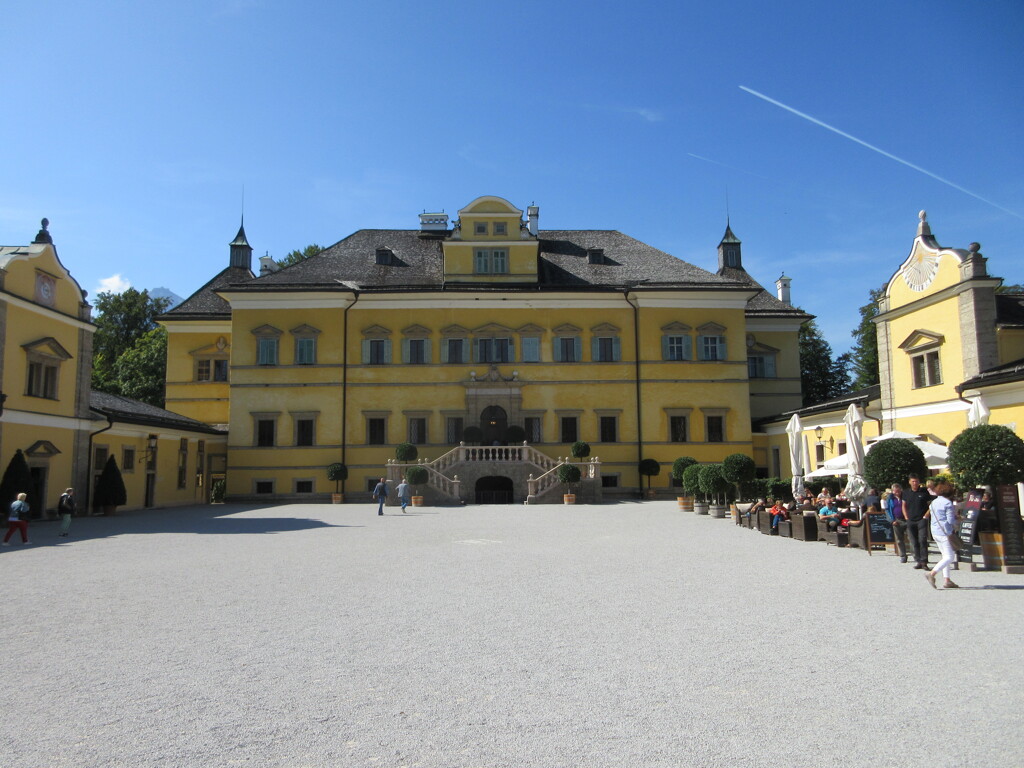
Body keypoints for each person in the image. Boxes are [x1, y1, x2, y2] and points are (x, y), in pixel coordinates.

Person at [925, 480, 959, 589]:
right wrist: (958, 519)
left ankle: (947, 580)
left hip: (935, 531)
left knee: (944, 556)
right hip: (945, 532)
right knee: (949, 556)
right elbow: (950, 520)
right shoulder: (947, 503)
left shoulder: (934, 502)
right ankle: (932, 574)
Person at [903, 474, 932, 570]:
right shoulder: (906, 492)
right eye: (913, 481)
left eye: (916, 481)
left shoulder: (924, 491)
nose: (915, 483)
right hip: (910, 520)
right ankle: (918, 561)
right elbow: (903, 505)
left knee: (922, 540)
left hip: (921, 520)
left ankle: (924, 561)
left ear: (919, 482)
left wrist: (926, 515)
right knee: (914, 542)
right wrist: (906, 517)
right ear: (909, 482)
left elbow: (931, 504)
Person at [885, 483, 909, 563]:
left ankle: (916, 555)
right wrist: (892, 520)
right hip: (896, 520)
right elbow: (887, 510)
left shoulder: (905, 496)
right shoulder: (890, 498)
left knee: (912, 537)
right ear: (892, 491)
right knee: (899, 540)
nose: (896, 492)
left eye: (898, 491)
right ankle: (903, 555)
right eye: (895, 491)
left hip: (906, 519)